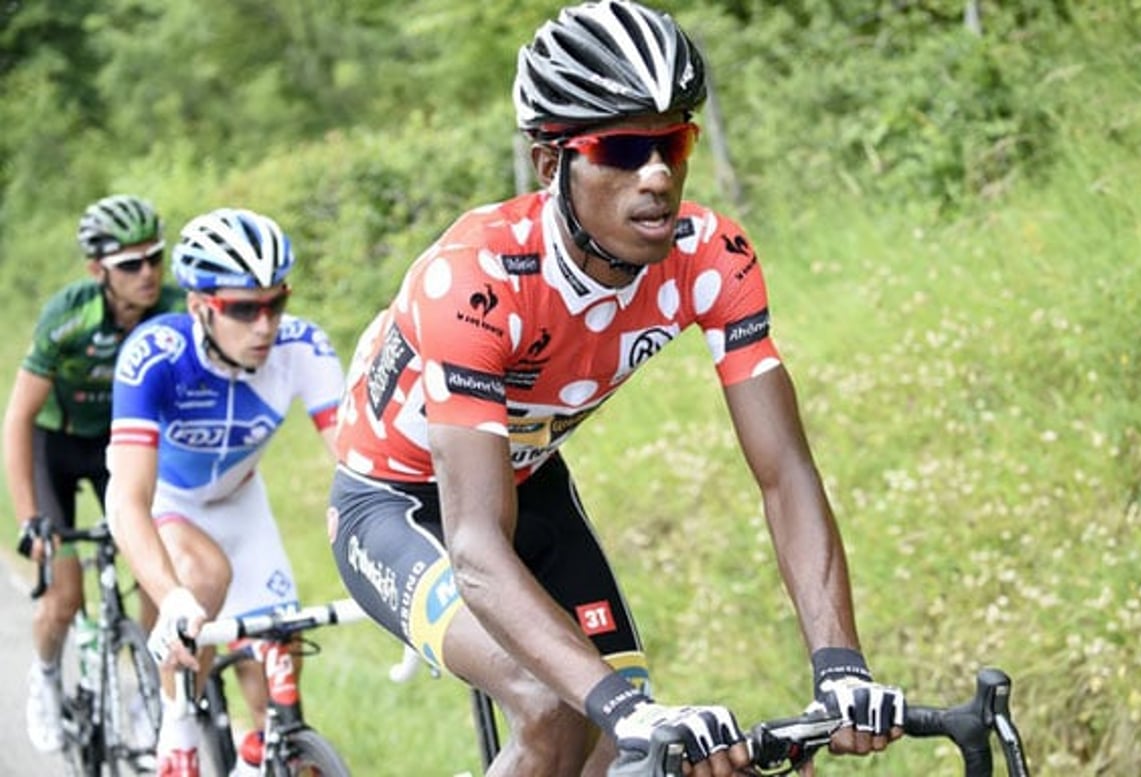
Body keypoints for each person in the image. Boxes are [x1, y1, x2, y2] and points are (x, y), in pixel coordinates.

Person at [329, 1, 904, 775]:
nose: (657, 174)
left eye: (672, 142)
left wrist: (839, 664)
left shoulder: (712, 256)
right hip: (399, 503)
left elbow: (785, 473)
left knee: (621, 751)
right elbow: (471, 547)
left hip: (530, 481)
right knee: (552, 705)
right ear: (547, 163)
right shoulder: (472, 278)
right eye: (623, 148)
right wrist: (620, 706)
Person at [104, 207, 345, 776]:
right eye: (243, 308)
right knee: (203, 581)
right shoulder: (155, 353)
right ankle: (176, 726)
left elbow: (360, 463)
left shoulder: (302, 348)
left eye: (276, 303)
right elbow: (126, 499)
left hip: (242, 506)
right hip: (169, 501)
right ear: (198, 306)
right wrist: (169, 596)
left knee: (278, 692)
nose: (265, 326)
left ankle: (257, 757)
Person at [4, 193, 186, 753]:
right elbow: (19, 418)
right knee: (63, 596)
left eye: (154, 258)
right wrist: (31, 517)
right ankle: (46, 676)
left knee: (156, 569)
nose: (148, 273)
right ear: (97, 270)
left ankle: (148, 690)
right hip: (55, 445)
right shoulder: (69, 316)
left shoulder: (175, 308)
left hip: (120, 446)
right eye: (130, 264)